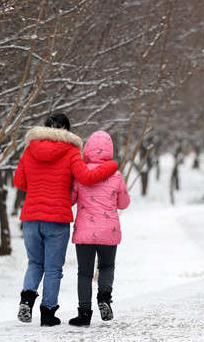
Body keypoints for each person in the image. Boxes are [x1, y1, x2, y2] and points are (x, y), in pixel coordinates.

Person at [13, 113, 118, 327]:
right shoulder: (70, 150)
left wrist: (38, 188)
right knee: (53, 269)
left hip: (31, 217)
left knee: (35, 263)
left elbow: (19, 181)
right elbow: (86, 178)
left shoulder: (29, 149)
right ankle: (48, 314)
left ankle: (26, 299)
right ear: (67, 130)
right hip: (57, 218)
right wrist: (111, 166)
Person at [68, 131, 131, 327]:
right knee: (106, 267)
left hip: (85, 232)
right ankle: (104, 298)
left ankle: (84, 314)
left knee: (84, 273)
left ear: (87, 149)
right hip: (108, 231)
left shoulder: (80, 175)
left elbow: (70, 200)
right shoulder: (117, 175)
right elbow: (124, 204)